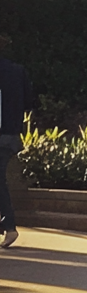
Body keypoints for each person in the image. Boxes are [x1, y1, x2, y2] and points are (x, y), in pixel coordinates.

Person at [0, 45, 32, 249]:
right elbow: (29, 103)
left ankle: (10, 225)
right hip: (11, 133)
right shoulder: (17, 71)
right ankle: (8, 225)